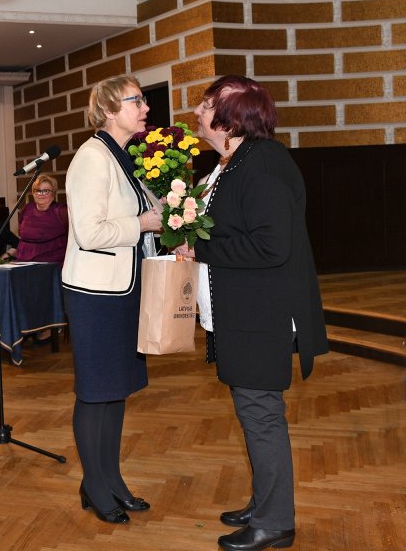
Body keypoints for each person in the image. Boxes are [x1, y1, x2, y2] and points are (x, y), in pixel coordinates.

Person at [175, 75, 328, 551]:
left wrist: (200, 247)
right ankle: (265, 501)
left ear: (232, 115)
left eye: (206, 105)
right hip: (241, 311)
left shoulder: (262, 165)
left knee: (262, 415)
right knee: (253, 412)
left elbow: (270, 245)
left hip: (261, 315)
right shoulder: (236, 162)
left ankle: (275, 522)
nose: (197, 112)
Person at [61, 74, 162, 524]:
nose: (145, 107)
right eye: (136, 100)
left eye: (142, 100)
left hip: (124, 289)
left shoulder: (123, 157)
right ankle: (95, 486)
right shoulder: (91, 157)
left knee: (116, 391)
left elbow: (149, 216)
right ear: (107, 109)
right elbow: (91, 231)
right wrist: (144, 223)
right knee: (95, 392)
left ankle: (112, 479)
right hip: (96, 295)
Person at [15, 174, 69, 264]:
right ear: (33, 192)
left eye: (46, 191)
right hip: (23, 262)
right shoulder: (27, 208)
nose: (41, 194)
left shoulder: (61, 211)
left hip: (51, 264)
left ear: (53, 193)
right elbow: (20, 231)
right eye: (37, 190)